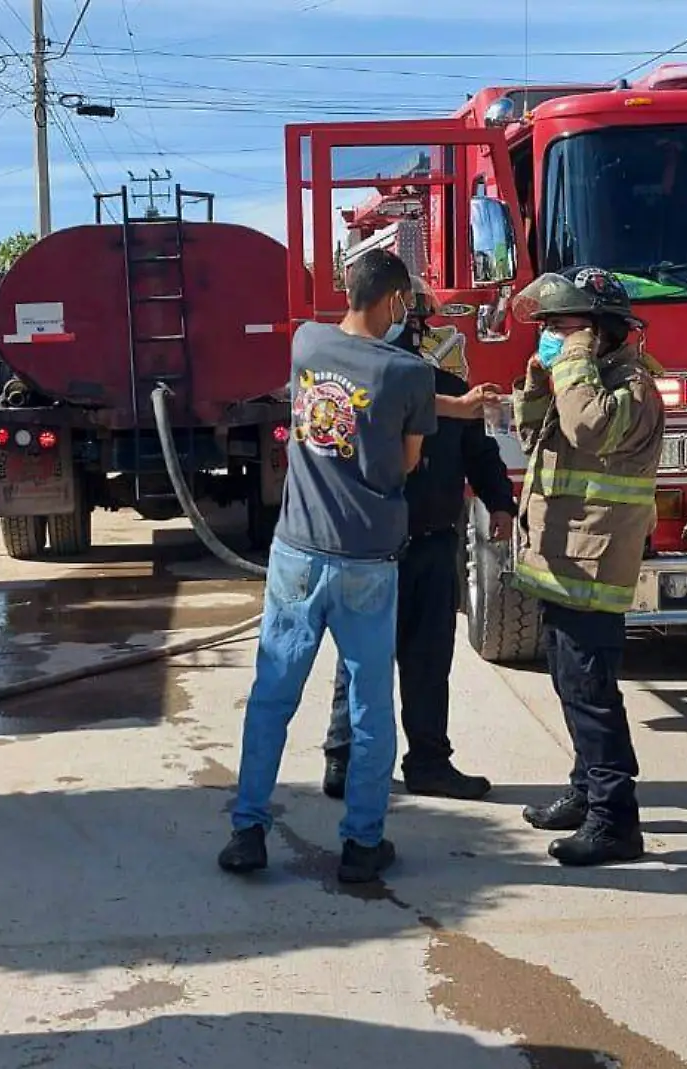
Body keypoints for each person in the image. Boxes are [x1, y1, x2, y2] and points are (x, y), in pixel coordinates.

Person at [218, 249, 498, 885]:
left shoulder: (306, 344)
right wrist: (446, 407)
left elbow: (377, 399)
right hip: (366, 562)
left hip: (296, 554)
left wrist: (457, 405)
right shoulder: (407, 373)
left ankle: (248, 831)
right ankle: (362, 846)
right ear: (397, 303)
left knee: (271, 696)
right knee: (373, 706)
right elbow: (404, 461)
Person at [321, 279, 516, 802]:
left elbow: (480, 453)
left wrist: (500, 502)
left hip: (430, 546)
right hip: (372, 549)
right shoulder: (357, 390)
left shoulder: (452, 388)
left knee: (425, 661)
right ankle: (344, 758)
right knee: (363, 659)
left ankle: (427, 762)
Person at [508, 267, 664, 868]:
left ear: (598, 331)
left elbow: (587, 428)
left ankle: (614, 821)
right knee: (569, 683)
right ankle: (584, 790)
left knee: (592, 692)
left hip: (594, 565)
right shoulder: (588, 379)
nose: (549, 336)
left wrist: (569, 365)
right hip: (562, 558)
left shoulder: (632, 387)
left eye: (561, 326)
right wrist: (538, 385)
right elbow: (543, 441)